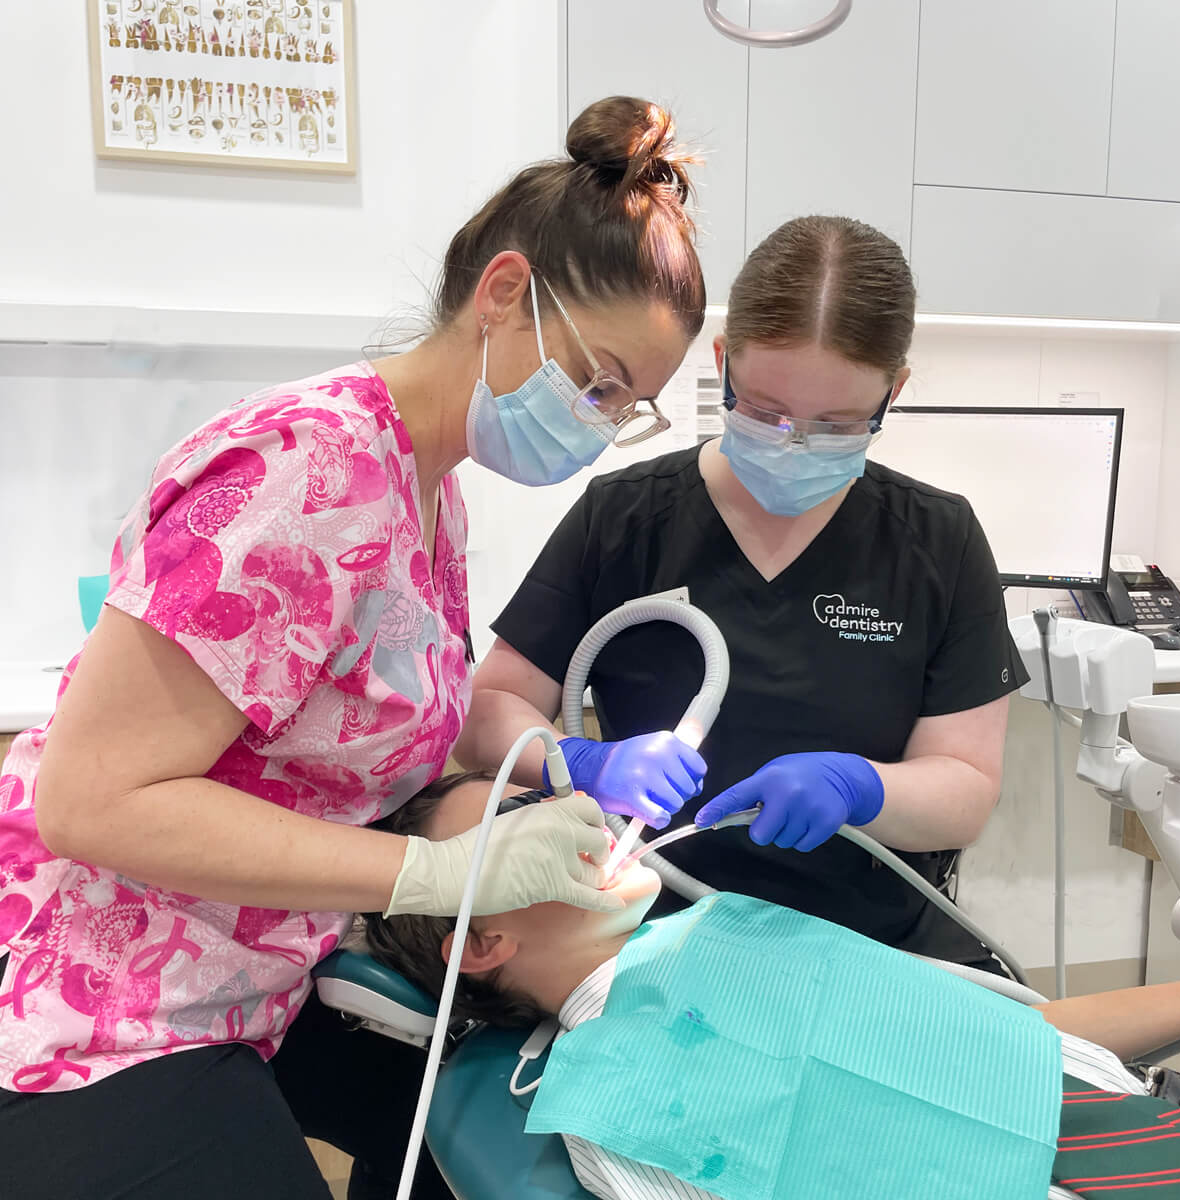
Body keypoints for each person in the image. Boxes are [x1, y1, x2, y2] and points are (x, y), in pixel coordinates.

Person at [0, 96, 707, 1200]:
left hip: (262, 971)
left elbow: (373, 726)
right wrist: (435, 872)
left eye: (630, 408)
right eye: (600, 381)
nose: (600, 421)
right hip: (95, 1007)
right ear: (507, 294)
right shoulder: (306, 475)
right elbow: (90, 799)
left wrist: (554, 769)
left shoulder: (428, 495)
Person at [456, 213, 1027, 968]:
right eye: (766, 411)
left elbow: (966, 789)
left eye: (834, 425)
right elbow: (486, 717)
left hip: (870, 948)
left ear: (894, 392)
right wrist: (584, 762)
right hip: (655, 936)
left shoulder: (937, 540)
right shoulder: (627, 516)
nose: (792, 442)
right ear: (723, 362)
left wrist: (863, 789)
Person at [365, 773, 1180, 1200]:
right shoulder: (620, 1110)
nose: (574, 814)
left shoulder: (737, 936)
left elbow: (1026, 1045)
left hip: (1163, 1123)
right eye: (519, 825)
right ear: (481, 945)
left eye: (547, 795)